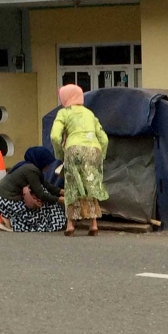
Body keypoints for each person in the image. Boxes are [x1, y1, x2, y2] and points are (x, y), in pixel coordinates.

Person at [50, 84, 109, 237]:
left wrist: (60, 154)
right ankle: (93, 223)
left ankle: (70, 224)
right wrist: (100, 156)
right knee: (91, 185)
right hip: (93, 149)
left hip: (74, 150)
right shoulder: (90, 114)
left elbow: (55, 136)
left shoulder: (63, 113)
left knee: (72, 187)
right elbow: (104, 138)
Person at [0, 147, 66, 233]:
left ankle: (10, 219)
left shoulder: (28, 166)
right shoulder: (31, 170)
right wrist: (58, 199)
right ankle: (13, 223)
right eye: (47, 164)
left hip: (0, 197)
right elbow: (41, 194)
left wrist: (60, 191)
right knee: (43, 205)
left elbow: (45, 184)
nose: (48, 166)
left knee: (46, 194)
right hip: (6, 201)